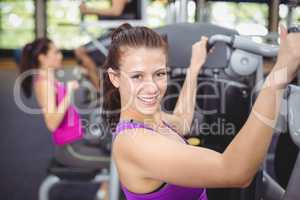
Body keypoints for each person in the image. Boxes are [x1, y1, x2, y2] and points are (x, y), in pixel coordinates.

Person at [101, 23, 300, 200]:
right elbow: (236, 172)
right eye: (137, 76)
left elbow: (182, 121)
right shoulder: (135, 142)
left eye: (160, 74)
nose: (152, 87)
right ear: (115, 78)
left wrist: (194, 67)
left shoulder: (151, 120)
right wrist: (281, 73)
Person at [18, 38, 110, 200]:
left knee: (116, 153)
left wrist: (79, 79)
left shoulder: (49, 79)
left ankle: (105, 194)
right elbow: (52, 124)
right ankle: (105, 194)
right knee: (119, 161)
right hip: (70, 149)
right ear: (42, 57)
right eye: (56, 52)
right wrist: (68, 92)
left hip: (77, 141)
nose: (60, 56)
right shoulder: (43, 83)